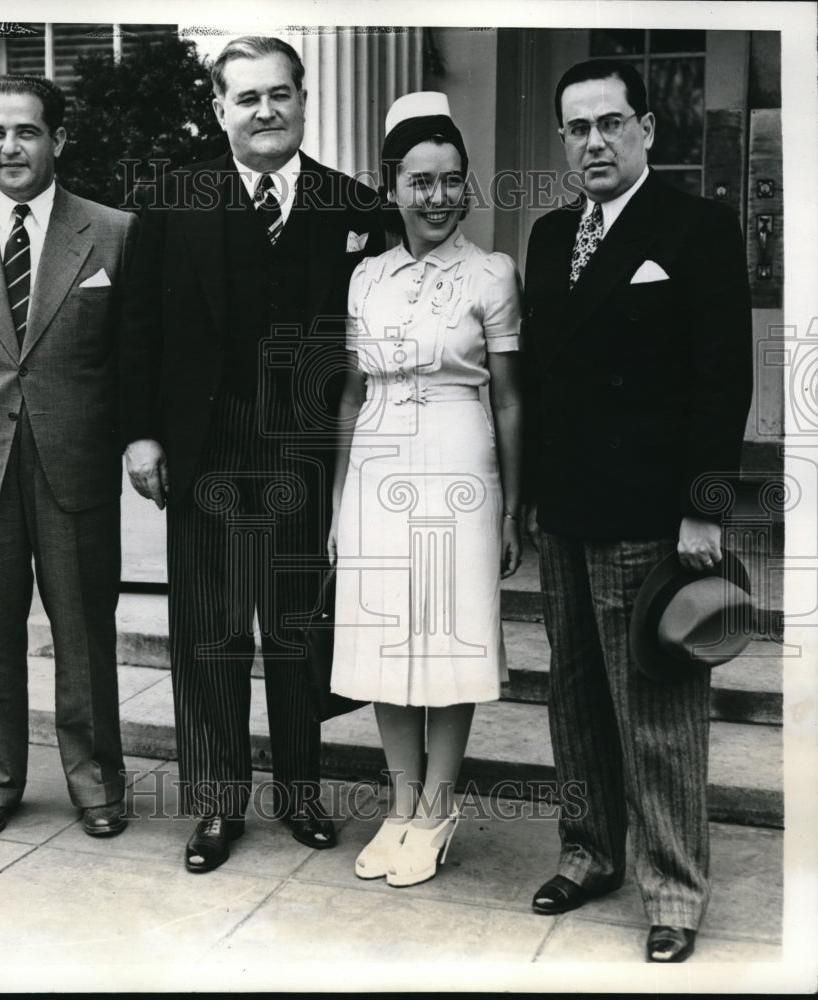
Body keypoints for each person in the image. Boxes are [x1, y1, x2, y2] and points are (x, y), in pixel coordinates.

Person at [119, 36, 383, 873]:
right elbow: (136, 330)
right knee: (211, 634)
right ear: (219, 110)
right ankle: (214, 806)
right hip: (209, 444)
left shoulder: (352, 206)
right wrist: (141, 431)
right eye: (246, 98)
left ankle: (302, 795)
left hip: (306, 449)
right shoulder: (172, 202)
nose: (265, 111)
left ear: (303, 101)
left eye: (279, 94)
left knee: (299, 635)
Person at [522, 59, 752, 962]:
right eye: (576, 128)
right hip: (566, 508)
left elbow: (722, 379)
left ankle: (675, 891)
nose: (593, 143)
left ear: (646, 131)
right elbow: (540, 381)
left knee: (656, 708)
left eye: (610, 124)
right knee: (574, 702)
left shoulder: (695, 227)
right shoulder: (547, 236)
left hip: (652, 513)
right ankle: (589, 854)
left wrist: (703, 508)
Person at [0, 75, 138, 840]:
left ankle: (97, 785)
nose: (11, 146)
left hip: (73, 460)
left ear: (58, 140)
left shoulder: (111, 232)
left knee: (83, 632)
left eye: (27, 131)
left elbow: (122, 357)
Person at [328, 92, 523, 888]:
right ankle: (400, 804)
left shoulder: (491, 273)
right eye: (419, 181)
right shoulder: (365, 276)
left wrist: (512, 503)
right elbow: (347, 393)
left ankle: (439, 808)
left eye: (450, 180)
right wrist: (340, 500)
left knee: (444, 638)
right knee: (385, 639)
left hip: (456, 458)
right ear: (392, 187)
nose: (435, 197)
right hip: (375, 460)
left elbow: (509, 396)